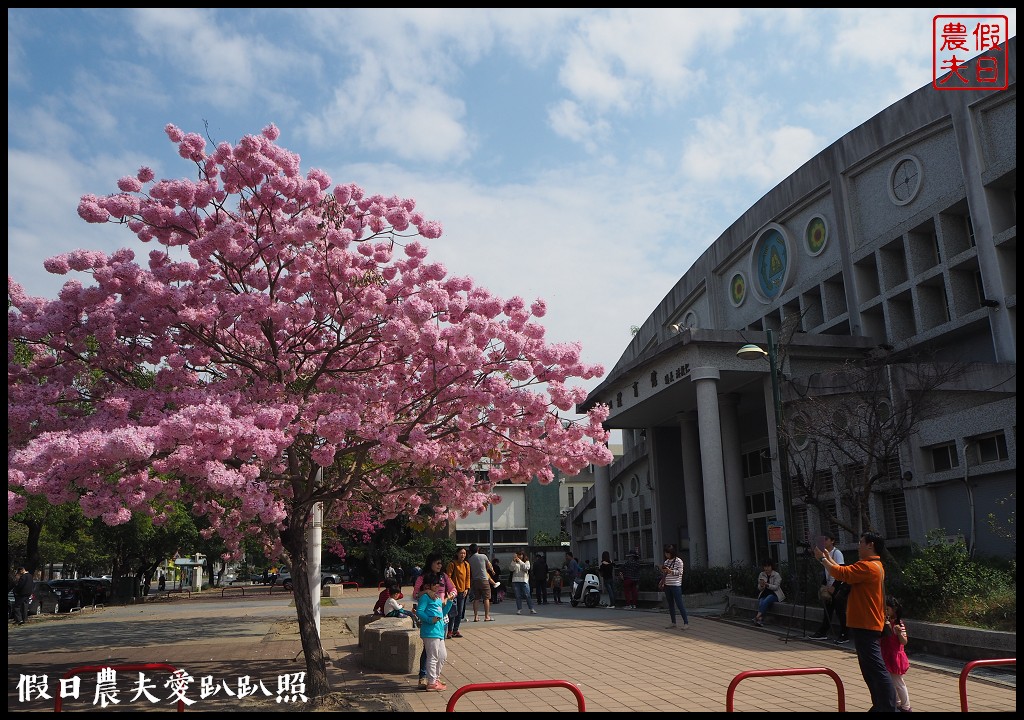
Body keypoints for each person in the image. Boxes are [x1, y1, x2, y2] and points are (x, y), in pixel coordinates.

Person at [815, 531, 897, 712]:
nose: (858, 545)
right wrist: (828, 558)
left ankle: (888, 707)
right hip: (864, 624)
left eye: (861, 542)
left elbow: (843, 574)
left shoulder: (869, 567)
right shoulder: (871, 565)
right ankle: (881, 705)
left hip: (867, 624)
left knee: (875, 668)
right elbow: (845, 572)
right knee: (869, 670)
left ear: (870, 545)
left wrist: (822, 559)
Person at [413, 552, 456, 684]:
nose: (440, 565)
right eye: (437, 563)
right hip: (429, 617)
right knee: (429, 649)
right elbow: (415, 594)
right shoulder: (422, 578)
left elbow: (454, 589)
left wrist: (450, 597)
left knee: (439, 650)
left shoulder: (444, 576)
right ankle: (424, 676)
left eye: (441, 563)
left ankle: (435, 677)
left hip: (442, 615)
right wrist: (426, 591)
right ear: (430, 563)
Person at [809, 533, 850, 643]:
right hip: (829, 585)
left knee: (840, 611)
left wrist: (834, 586)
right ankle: (823, 631)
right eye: (823, 540)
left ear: (832, 541)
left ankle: (844, 634)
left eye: (826, 539)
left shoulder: (837, 553)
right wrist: (824, 584)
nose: (824, 542)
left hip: (837, 586)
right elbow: (826, 571)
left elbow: (841, 570)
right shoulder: (825, 553)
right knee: (828, 610)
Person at [882, 595, 912, 712]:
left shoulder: (899, 624)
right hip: (886, 654)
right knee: (890, 682)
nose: (885, 612)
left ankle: (906, 706)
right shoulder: (885, 622)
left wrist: (899, 633)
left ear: (894, 609)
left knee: (898, 682)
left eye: (887, 609)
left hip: (895, 656)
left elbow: (904, 642)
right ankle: (897, 703)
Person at [659, 544, 689, 629]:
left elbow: (680, 572)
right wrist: (662, 580)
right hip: (667, 585)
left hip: (676, 585)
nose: (666, 555)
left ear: (672, 553)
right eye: (665, 553)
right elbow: (665, 574)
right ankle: (673, 622)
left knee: (679, 604)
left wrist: (670, 571)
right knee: (670, 604)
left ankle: (686, 623)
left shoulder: (679, 561)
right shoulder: (666, 562)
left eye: (668, 553)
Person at [445, 547, 471, 638]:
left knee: (460, 612)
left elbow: (468, 577)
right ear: (457, 554)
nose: (463, 555)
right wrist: (453, 589)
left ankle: (456, 630)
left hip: (463, 591)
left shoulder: (466, 564)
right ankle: (450, 631)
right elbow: (448, 578)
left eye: (464, 553)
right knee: (453, 612)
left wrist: (467, 588)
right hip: (453, 592)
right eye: (461, 553)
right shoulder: (452, 564)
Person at [468, 543, 497, 623]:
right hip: (484, 580)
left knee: (476, 598)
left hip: (475, 580)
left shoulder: (470, 559)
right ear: (478, 549)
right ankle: (487, 616)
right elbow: (489, 565)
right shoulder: (483, 556)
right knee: (486, 598)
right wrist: (492, 570)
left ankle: (476, 616)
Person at [752, 558, 785, 627]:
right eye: (765, 566)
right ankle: (760, 620)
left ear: (771, 566)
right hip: (764, 593)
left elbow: (776, 587)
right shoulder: (761, 574)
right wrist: (761, 586)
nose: (766, 568)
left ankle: (757, 617)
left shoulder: (776, 575)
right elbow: (759, 588)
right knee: (762, 602)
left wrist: (767, 584)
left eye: (768, 566)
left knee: (767, 600)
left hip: (774, 594)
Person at [510, 549, 537, 615]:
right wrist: (514, 561)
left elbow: (526, 568)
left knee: (527, 595)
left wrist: (520, 561)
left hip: (524, 580)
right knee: (518, 596)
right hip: (515, 581)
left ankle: (531, 608)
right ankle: (519, 609)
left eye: (520, 555)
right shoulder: (514, 561)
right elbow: (511, 569)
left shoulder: (526, 561)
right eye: (518, 555)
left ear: (523, 555)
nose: (519, 556)